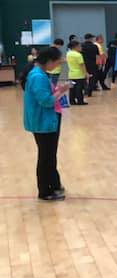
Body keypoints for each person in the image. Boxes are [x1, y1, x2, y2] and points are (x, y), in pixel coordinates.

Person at [23, 47, 72, 201]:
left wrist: (58, 89)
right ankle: (45, 191)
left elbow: (46, 94)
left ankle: (54, 184)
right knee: (46, 157)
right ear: (49, 61)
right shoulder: (38, 76)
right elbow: (46, 101)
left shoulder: (40, 73)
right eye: (56, 63)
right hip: (43, 121)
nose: (57, 66)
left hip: (47, 120)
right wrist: (61, 91)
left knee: (50, 155)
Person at [65, 39, 88, 105]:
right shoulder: (78, 55)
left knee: (72, 89)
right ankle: (80, 101)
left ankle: (72, 101)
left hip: (71, 74)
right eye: (79, 46)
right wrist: (85, 73)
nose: (81, 47)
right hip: (79, 75)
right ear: (75, 47)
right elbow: (82, 65)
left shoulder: (68, 53)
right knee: (79, 89)